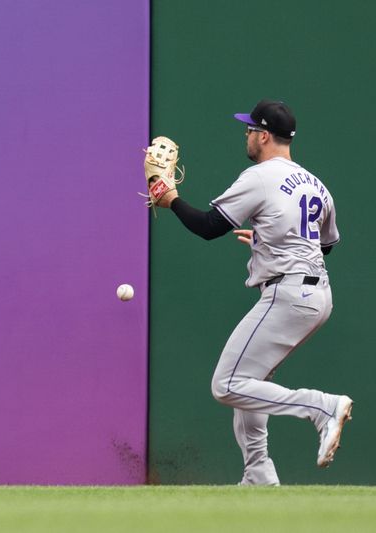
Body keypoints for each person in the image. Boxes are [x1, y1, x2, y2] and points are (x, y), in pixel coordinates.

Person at [155, 99, 352, 486]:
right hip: (317, 295)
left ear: (263, 135)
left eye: (249, 129)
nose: (245, 134)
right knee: (251, 380)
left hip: (289, 293)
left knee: (226, 385)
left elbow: (210, 227)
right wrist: (266, 235)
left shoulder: (262, 176)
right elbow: (325, 245)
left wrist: (171, 199)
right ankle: (258, 471)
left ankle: (321, 407)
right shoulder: (316, 184)